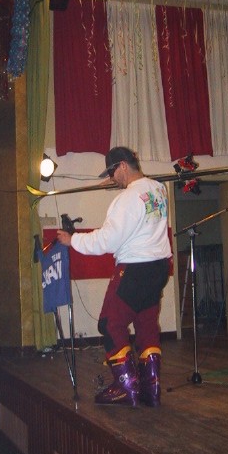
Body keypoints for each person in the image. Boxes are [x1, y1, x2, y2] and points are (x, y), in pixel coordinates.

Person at [56, 147, 172, 408]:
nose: (111, 178)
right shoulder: (158, 189)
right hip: (159, 268)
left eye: (111, 172)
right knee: (146, 325)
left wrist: (73, 240)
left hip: (134, 269)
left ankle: (126, 387)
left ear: (122, 166)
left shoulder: (126, 199)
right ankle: (151, 389)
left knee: (109, 324)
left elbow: (106, 241)